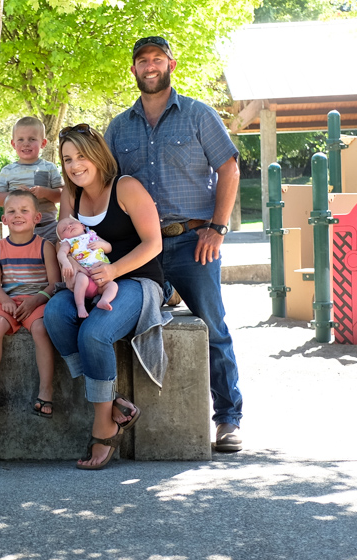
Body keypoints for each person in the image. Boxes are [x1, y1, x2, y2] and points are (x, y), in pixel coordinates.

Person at [104, 36, 244, 452]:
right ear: (133, 69)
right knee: (122, 318)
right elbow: (105, 185)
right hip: (141, 247)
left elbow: (229, 169)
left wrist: (217, 229)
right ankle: (122, 412)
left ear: (171, 65)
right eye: (142, 61)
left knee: (213, 328)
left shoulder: (198, 114)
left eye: (157, 59)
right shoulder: (118, 127)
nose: (150, 66)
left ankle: (229, 419)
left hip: (192, 242)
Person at [43, 123, 168, 470]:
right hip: (87, 281)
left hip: (136, 279)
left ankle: (103, 424)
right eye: (67, 159)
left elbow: (153, 244)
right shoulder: (71, 195)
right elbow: (63, 242)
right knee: (54, 314)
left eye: (81, 156)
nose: (74, 165)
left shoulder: (125, 187)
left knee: (95, 332)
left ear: (97, 155)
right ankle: (110, 402)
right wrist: (66, 267)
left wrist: (112, 271)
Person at [0, 190, 59, 419]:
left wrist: (36, 300)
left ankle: (46, 389)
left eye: (25, 210)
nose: (18, 215)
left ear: (37, 218)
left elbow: (55, 284)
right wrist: (4, 301)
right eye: (12, 211)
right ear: (4, 218)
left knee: (41, 329)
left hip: (38, 301)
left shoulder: (45, 246)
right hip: (9, 302)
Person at [0, 116, 64, 245]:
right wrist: (15, 195)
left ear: (43, 143)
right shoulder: (7, 171)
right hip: (19, 227)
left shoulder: (49, 168)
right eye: (20, 139)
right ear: (13, 144)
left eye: (32, 139)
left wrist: (45, 192)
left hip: (48, 227)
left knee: (51, 260)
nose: (26, 143)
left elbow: (62, 195)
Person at [56, 216, 117, 318]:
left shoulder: (92, 235)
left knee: (113, 285)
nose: (69, 226)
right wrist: (66, 263)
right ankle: (80, 306)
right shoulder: (69, 242)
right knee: (81, 278)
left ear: (82, 226)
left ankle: (104, 300)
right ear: (62, 238)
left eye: (72, 223)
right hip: (85, 277)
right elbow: (61, 254)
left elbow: (109, 247)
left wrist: (100, 244)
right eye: (64, 229)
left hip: (102, 276)